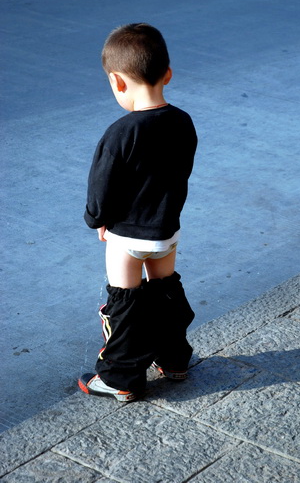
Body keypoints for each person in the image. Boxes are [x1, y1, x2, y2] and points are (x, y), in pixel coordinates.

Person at [78, 23, 197, 402]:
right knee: (166, 295)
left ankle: (120, 377)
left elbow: (101, 188)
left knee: (123, 304)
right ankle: (175, 360)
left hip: (127, 236)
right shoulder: (182, 122)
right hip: (166, 232)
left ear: (117, 81)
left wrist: (98, 219)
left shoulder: (120, 133)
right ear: (167, 74)